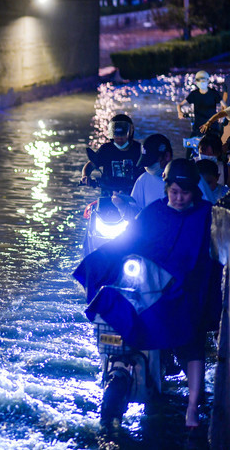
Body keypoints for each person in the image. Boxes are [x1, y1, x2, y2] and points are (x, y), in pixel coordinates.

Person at [74, 159, 222, 428]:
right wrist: (95, 263)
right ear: (166, 189)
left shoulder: (207, 215)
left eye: (184, 193)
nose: (178, 198)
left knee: (192, 341)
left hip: (189, 290)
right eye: (173, 192)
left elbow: (214, 254)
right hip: (153, 286)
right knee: (118, 306)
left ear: (194, 191)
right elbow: (127, 240)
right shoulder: (154, 212)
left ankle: (192, 408)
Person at [81, 114, 142, 194]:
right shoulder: (106, 149)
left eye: (123, 134)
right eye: (116, 135)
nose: (119, 138)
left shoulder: (139, 150)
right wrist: (85, 176)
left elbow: (149, 170)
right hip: (108, 195)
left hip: (133, 196)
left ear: (130, 132)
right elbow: (91, 165)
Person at [130, 133, 173, 209]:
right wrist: (123, 207)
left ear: (167, 156)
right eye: (146, 163)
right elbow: (135, 212)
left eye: (152, 162)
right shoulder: (143, 180)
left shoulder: (188, 178)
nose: (148, 167)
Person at [177, 70, 225, 139]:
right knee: (190, 147)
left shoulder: (214, 93)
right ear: (196, 82)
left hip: (212, 127)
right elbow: (179, 105)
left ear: (208, 81)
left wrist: (220, 116)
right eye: (199, 80)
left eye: (203, 80)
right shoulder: (194, 94)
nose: (201, 82)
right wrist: (180, 112)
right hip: (198, 127)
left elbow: (224, 106)